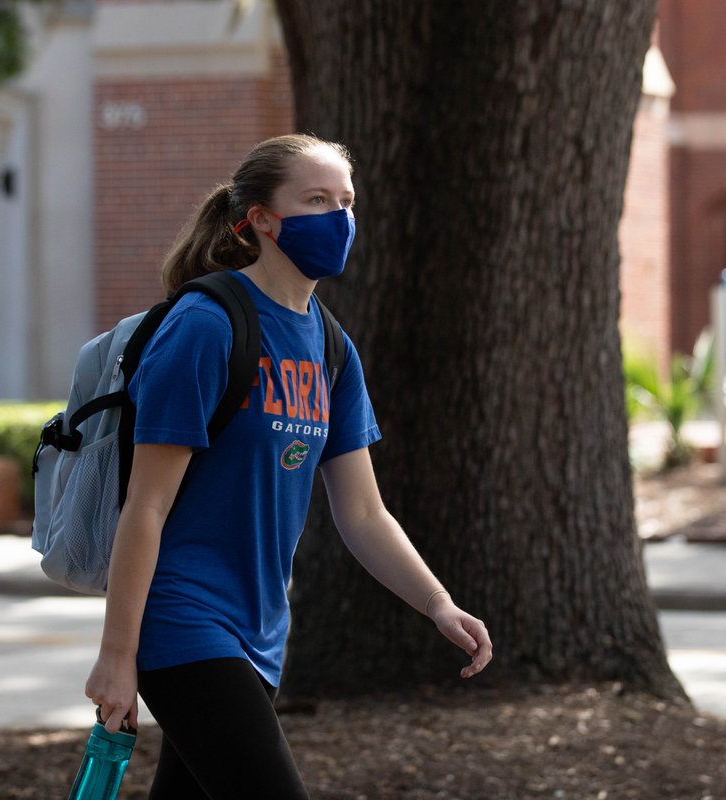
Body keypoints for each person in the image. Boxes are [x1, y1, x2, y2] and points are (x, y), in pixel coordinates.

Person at [84, 133, 493, 799]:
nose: (338, 218)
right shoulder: (206, 325)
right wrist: (117, 655)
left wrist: (437, 603)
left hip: (260, 630)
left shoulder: (331, 346)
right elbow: (146, 505)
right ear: (261, 218)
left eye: (346, 201)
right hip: (182, 621)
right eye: (316, 200)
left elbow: (363, 512)